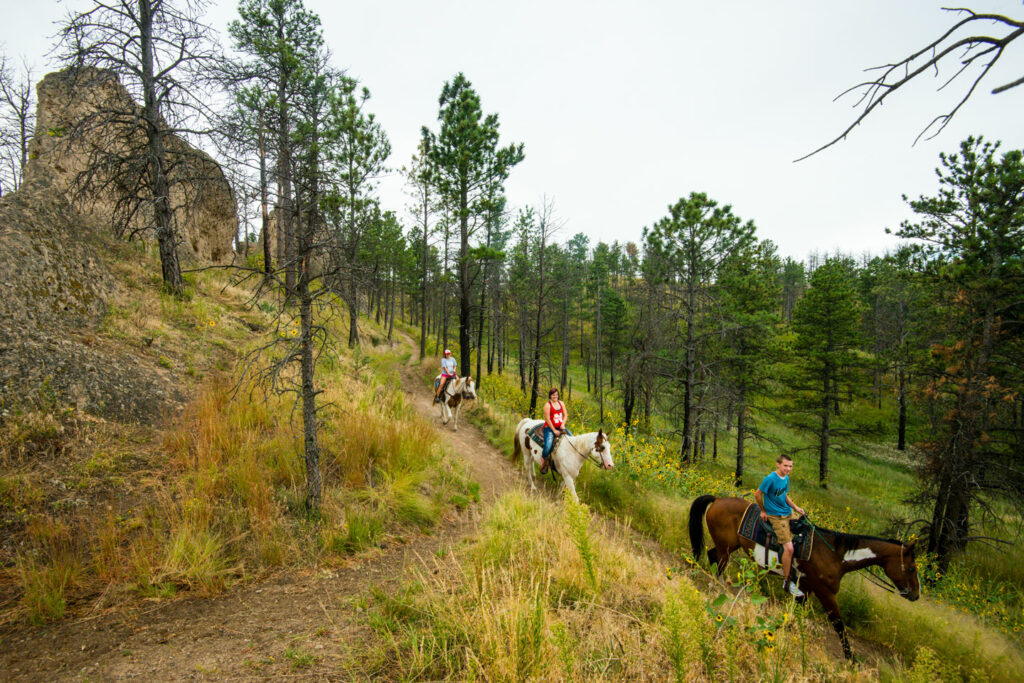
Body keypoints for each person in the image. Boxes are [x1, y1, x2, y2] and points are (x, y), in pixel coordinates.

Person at [755, 454, 806, 598]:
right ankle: (787, 581)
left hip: (787, 512)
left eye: (790, 466)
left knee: (804, 529)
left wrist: (796, 508)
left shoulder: (786, 478)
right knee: (789, 548)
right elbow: (757, 494)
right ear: (778, 464)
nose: (788, 469)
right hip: (775, 516)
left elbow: (784, 495)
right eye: (786, 466)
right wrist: (763, 510)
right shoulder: (770, 479)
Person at [539, 387, 573, 474]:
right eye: (553, 395)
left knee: (572, 439)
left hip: (560, 426)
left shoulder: (561, 403)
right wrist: (554, 430)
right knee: (548, 445)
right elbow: (548, 420)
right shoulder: (547, 405)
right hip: (550, 428)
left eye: (557, 394)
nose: (555, 396)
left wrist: (562, 424)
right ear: (550, 396)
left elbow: (565, 415)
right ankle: (543, 460)